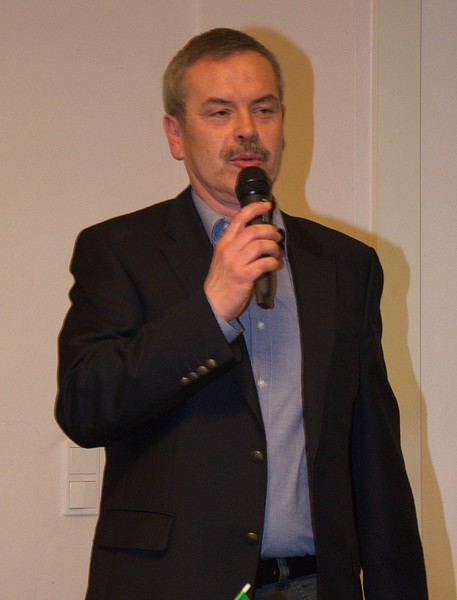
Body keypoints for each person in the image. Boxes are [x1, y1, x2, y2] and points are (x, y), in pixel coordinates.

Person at [55, 28, 428, 600]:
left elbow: (373, 452)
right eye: (219, 112)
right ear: (175, 134)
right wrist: (211, 309)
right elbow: (85, 408)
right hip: (170, 585)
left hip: (315, 584)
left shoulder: (346, 265)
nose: (247, 129)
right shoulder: (119, 251)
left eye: (264, 108)